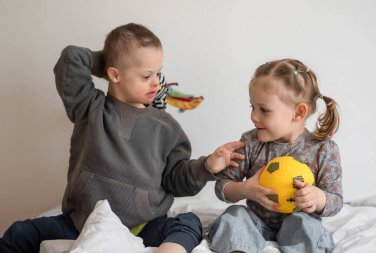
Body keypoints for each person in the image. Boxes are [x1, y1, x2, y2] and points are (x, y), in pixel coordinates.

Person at [0, 23, 245, 253]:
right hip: (81, 223)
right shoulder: (90, 107)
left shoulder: (167, 127)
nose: (156, 82)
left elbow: (175, 180)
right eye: (146, 75)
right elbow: (71, 58)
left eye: (159, 73)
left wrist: (205, 167)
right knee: (19, 233)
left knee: (189, 222)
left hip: (143, 225)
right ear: (114, 75)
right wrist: (112, 59)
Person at [208, 59, 343, 253]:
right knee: (235, 215)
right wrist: (244, 189)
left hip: (297, 225)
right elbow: (222, 187)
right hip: (256, 223)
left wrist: (317, 198)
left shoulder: (323, 150)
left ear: (298, 112)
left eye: (264, 109)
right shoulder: (251, 143)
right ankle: (239, 249)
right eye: (252, 107)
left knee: (306, 224)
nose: (254, 116)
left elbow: (336, 201)